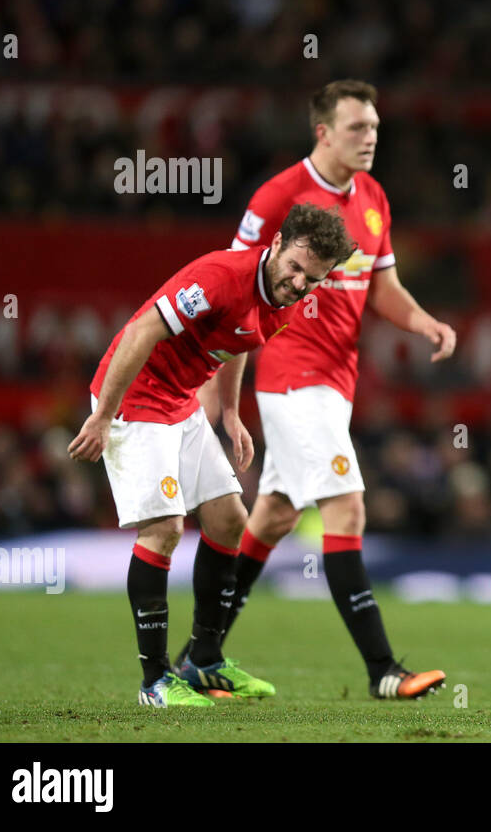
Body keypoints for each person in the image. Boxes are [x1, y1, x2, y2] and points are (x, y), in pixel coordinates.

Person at [200, 79, 457, 701]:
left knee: (277, 513)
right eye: (356, 129)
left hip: (337, 380)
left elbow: (382, 287)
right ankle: (383, 670)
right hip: (291, 376)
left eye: (374, 128)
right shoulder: (280, 195)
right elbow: (236, 283)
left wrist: (422, 320)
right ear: (323, 132)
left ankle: (201, 653)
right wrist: (222, 390)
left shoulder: (372, 198)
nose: (370, 139)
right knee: (347, 508)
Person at [68, 204, 354, 707]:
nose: (300, 283)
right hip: (134, 400)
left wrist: (229, 412)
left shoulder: (287, 301)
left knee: (228, 519)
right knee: (164, 529)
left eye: (313, 279)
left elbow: (239, 339)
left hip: (181, 402)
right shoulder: (221, 276)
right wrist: (102, 416)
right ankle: (155, 681)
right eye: (295, 268)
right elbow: (140, 332)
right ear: (278, 243)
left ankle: (203, 661)